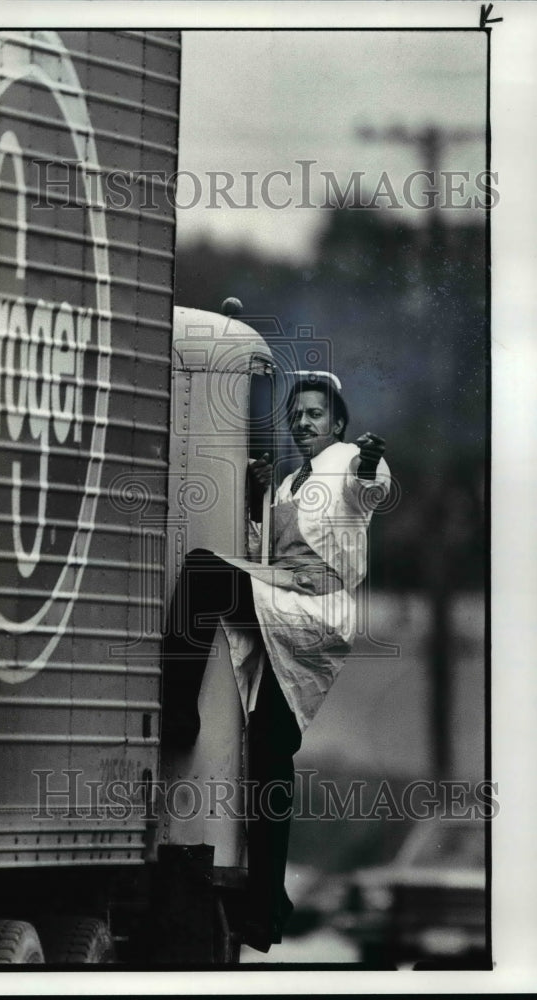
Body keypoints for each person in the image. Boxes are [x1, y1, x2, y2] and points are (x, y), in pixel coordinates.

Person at [160, 372, 391, 953]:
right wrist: (254, 500)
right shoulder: (290, 482)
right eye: (297, 414)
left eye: (315, 414)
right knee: (269, 751)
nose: (303, 423)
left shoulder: (347, 464)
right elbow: (265, 553)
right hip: (284, 607)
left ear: (336, 424)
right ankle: (266, 903)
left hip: (313, 609)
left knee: (203, 572)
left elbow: (371, 490)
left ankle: (176, 714)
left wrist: (368, 464)